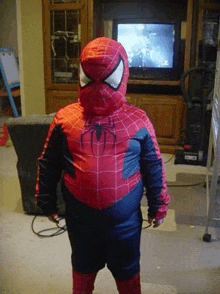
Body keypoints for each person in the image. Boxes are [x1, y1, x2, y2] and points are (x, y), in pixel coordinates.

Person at [35, 37, 170, 294]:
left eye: (106, 79)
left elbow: (153, 165)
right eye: (91, 79)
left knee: (128, 277)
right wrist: (45, 200)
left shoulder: (137, 121)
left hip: (125, 223)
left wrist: (158, 204)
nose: (99, 88)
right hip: (80, 219)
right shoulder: (65, 119)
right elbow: (48, 162)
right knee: (83, 274)